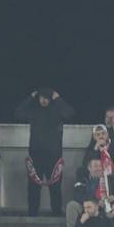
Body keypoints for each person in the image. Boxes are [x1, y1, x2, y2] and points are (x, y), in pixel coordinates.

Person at [15, 88, 75, 217]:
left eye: (47, 98)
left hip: (54, 157)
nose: (44, 100)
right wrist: (30, 98)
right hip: (35, 156)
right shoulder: (33, 111)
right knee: (33, 189)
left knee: (55, 189)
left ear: (51, 98)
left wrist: (58, 99)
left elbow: (70, 113)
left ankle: (56, 215)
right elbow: (18, 113)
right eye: (41, 97)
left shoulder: (57, 111)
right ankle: (32, 215)